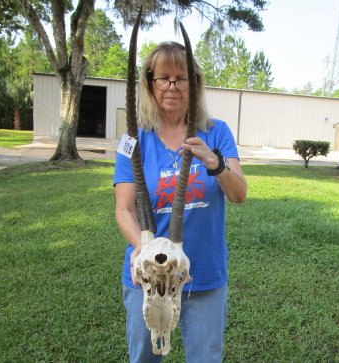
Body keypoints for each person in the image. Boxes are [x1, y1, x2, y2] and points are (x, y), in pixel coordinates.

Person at [114, 41, 247, 363]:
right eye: (163, 78)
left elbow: (239, 194)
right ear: (150, 83)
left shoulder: (217, 132)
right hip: (147, 275)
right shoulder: (132, 139)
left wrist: (215, 163)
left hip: (203, 273)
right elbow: (124, 208)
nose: (172, 86)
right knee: (144, 358)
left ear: (194, 83)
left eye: (181, 78)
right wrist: (142, 249)